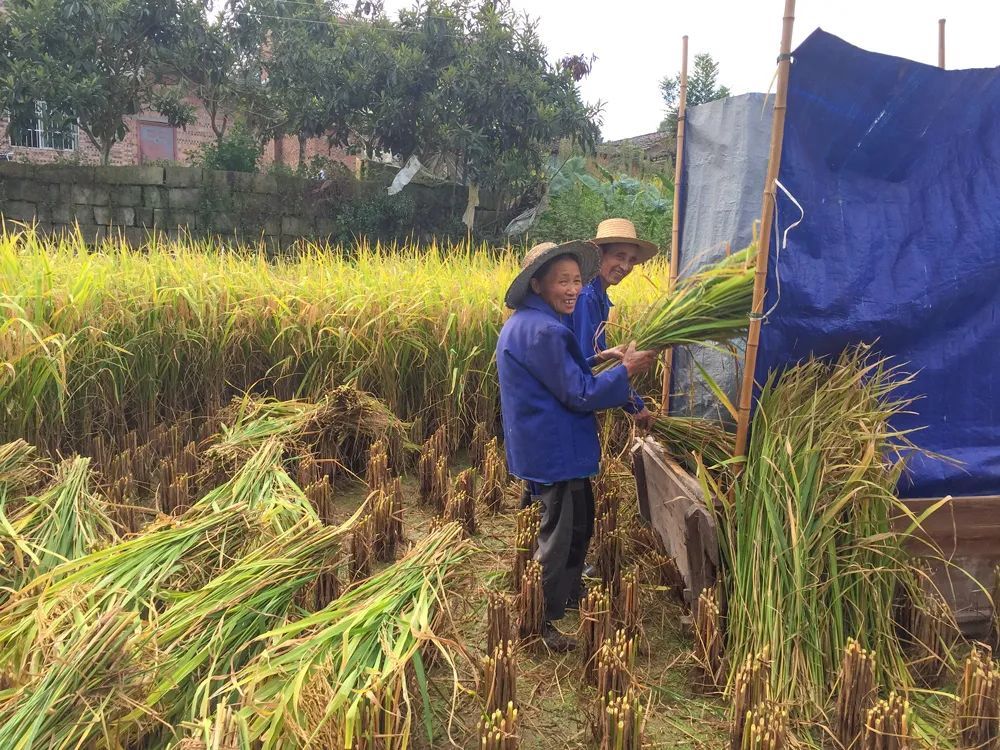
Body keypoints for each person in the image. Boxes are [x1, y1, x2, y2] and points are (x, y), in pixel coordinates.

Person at [496, 240, 657, 651]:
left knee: (577, 521)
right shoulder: (547, 329)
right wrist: (626, 371)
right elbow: (581, 394)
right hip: (556, 449)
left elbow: (563, 373)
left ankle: (564, 594)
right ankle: (539, 624)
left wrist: (603, 357)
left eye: (575, 280)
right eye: (561, 282)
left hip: (544, 445)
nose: (572, 289)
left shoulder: (528, 323)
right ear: (537, 285)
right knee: (561, 535)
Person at [571, 217, 660, 433]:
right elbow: (589, 362)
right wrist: (635, 404)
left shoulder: (599, 295)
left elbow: (600, 357)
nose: (626, 266)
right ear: (599, 254)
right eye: (619, 256)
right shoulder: (586, 296)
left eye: (631, 260)